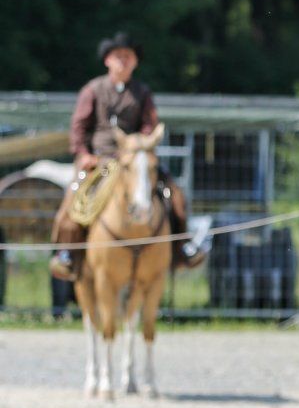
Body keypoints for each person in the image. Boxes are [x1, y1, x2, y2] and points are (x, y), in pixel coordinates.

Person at [50, 31, 201, 281]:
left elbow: (150, 125)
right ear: (107, 60)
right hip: (98, 160)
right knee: (72, 202)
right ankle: (66, 253)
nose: (123, 61)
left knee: (175, 197)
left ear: (135, 62)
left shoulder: (142, 92)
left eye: (128, 56)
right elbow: (78, 127)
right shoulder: (93, 90)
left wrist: (139, 145)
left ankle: (182, 248)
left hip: (135, 159)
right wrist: (83, 154)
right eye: (118, 56)